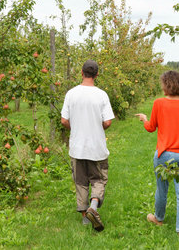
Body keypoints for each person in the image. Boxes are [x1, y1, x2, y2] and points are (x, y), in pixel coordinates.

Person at [135, 70, 179, 237]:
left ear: (166, 85)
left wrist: (144, 119)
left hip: (164, 155)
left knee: (162, 189)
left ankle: (159, 218)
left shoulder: (159, 103)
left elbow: (151, 128)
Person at [61, 60, 115, 232]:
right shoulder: (101, 95)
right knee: (99, 179)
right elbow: (107, 121)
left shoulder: (71, 94)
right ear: (97, 75)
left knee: (81, 181)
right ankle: (93, 206)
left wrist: (75, 127)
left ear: (81, 73)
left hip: (77, 147)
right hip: (97, 147)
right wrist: (99, 126)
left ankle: (85, 217)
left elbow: (64, 120)